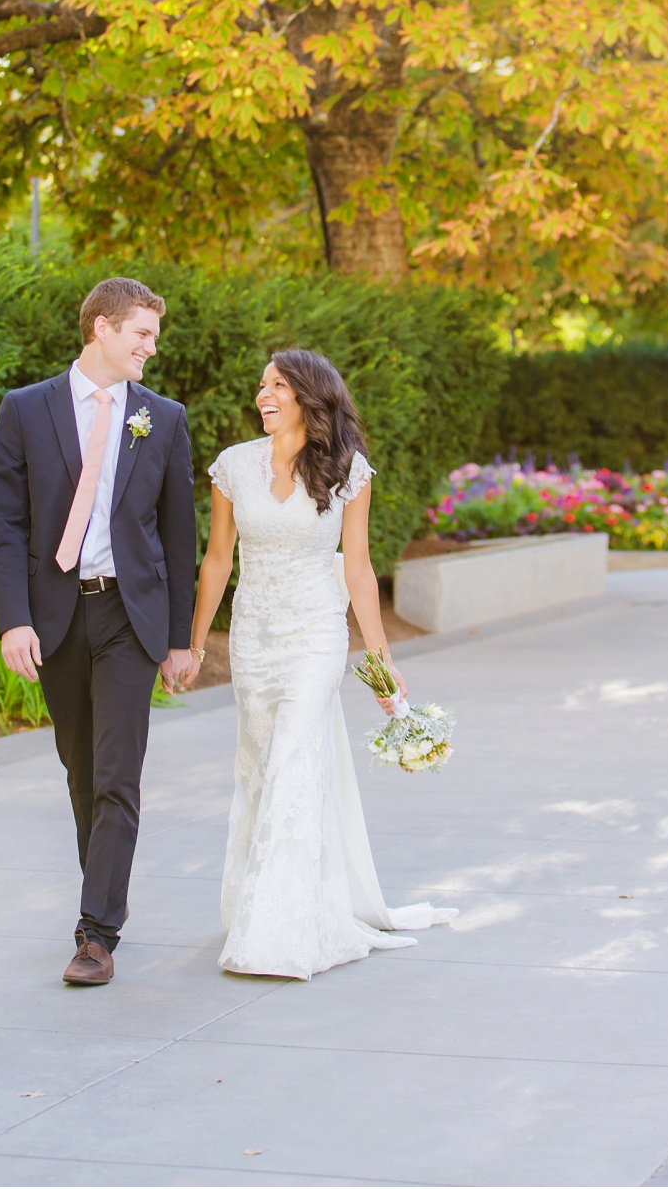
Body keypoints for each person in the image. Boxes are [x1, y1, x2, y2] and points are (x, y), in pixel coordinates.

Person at [180, 348, 455, 979]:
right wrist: (196, 646)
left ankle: (282, 933)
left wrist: (382, 665)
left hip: (314, 637)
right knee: (261, 765)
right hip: (254, 638)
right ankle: (255, 905)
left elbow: (357, 570)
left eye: (277, 385)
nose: (263, 394)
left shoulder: (347, 471)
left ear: (310, 395)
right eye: (261, 385)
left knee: (296, 764)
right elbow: (218, 561)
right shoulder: (233, 468)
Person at [0, 276, 196, 987]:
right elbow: (4, 523)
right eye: (141, 335)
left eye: (154, 338)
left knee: (116, 774)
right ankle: (107, 889)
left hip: (129, 617)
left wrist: (178, 640)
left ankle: (95, 933)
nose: (150, 349)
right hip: (58, 616)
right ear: (101, 329)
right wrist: (14, 618)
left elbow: (177, 533)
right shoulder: (24, 410)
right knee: (81, 772)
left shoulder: (162, 419)